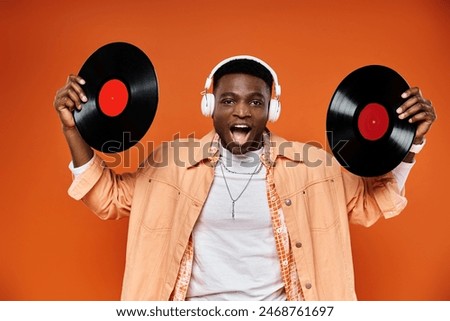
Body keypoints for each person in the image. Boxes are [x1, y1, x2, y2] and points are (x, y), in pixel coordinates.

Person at [53, 55, 436, 301]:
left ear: (273, 108)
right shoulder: (169, 164)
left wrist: (411, 144)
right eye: (228, 100)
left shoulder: (314, 167)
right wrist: (73, 130)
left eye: (256, 101)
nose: (242, 112)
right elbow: (106, 197)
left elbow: (370, 204)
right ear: (209, 105)